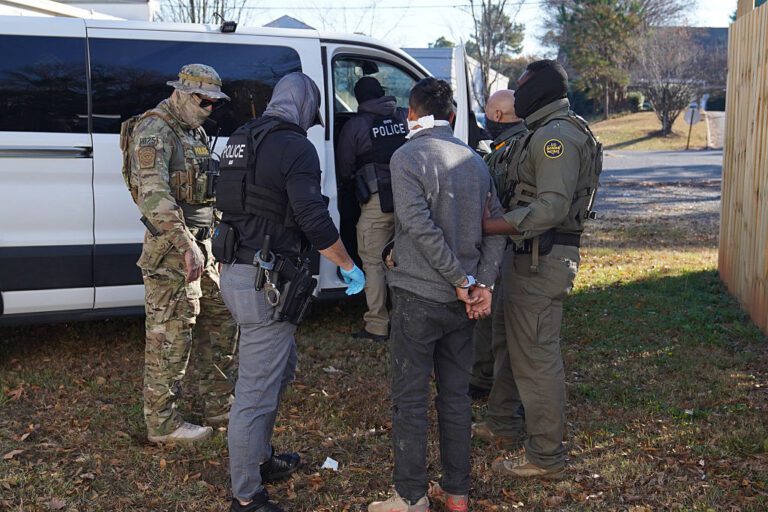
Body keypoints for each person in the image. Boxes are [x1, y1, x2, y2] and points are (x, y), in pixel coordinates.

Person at [215, 72, 365, 512]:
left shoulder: (241, 138)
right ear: (303, 107)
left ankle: (260, 458)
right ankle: (246, 494)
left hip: (239, 272)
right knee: (256, 391)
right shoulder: (296, 146)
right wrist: (349, 266)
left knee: (279, 370)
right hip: (265, 281)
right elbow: (312, 217)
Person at [368, 78, 506, 512]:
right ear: (451, 117)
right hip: (459, 303)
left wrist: (463, 282)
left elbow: (418, 227)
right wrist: (480, 283)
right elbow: (497, 227)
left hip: (419, 296)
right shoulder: (475, 160)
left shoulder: (406, 156)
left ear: (412, 115)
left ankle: (410, 498)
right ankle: (457, 492)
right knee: (455, 397)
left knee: (409, 399)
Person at [478, 59, 600, 479]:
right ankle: (503, 424)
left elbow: (552, 206)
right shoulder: (541, 131)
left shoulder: (557, 137)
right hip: (523, 256)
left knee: (535, 355)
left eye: (523, 87)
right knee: (508, 345)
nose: (517, 94)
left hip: (541, 258)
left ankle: (545, 456)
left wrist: (491, 225)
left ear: (541, 90)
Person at [124, 63, 238, 445]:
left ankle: (219, 404)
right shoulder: (155, 130)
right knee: (170, 335)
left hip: (203, 243)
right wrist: (185, 242)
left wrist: (215, 237)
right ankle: (163, 424)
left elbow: (208, 187)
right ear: (184, 94)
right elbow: (153, 195)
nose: (210, 108)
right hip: (172, 249)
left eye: (214, 103)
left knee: (220, 326)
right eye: (205, 101)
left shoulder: (194, 130)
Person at [335, 76, 408, 342]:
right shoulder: (403, 116)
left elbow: (344, 168)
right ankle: (405, 321)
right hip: (410, 200)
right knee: (403, 260)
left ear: (359, 100)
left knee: (374, 263)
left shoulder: (356, 126)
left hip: (377, 203)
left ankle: (377, 325)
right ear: (383, 94)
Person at [468, 89, 528, 401]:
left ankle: (485, 380)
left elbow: (494, 202)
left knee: (493, 320)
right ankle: (484, 376)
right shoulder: (527, 143)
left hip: (505, 245)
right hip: (517, 245)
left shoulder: (507, 152)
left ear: (498, 116)